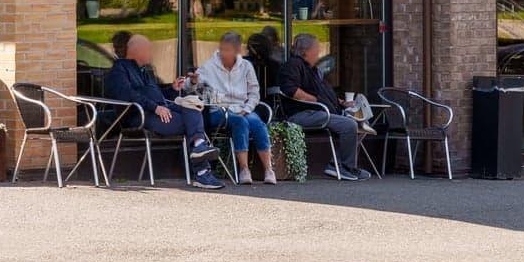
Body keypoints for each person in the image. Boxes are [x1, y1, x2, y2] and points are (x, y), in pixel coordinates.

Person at [104, 34, 223, 189]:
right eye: (148, 49)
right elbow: (128, 94)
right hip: (140, 115)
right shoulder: (120, 69)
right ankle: (202, 172)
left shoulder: (145, 71)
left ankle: (199, 146)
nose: (151, 53)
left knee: (193, 103)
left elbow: (157, 95)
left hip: (160, 110)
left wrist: (172, 89)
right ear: (136, 51)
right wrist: (155, 107)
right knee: (191, 124)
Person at [278, 33, 371, 180]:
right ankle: (345, 167)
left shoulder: (313, 70)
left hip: (321, 112)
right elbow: (290, 89)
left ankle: (338, 163)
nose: (319, 51)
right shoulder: (293, 65)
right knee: (349, 124)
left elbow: (324, 92)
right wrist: (314, 100)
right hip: (303, 114)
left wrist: (341, 102)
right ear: (305, 51)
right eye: (316, 48)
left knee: (361, 121)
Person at [197, 32, 276, 185]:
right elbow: (191, 85)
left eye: (227, 50)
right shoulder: (209, 66)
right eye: (222, 49)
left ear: (237, 50)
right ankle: (244, 169)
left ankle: (268, 169)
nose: (223, 53)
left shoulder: (246, 66)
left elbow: (254, 92)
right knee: (240, 122)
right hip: (219, 110)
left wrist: (247, 108)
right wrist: (192, 81)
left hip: (242, 108)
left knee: (257, 123)